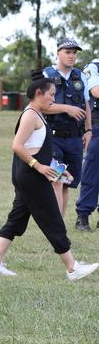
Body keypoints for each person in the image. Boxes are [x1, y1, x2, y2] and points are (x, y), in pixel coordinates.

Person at [0, 70, 98, 281]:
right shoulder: (30, 115)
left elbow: (35, 147)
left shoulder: (38, 114)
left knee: (16, 220)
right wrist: (39, 167)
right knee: (52, 220)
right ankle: (73, 268)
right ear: (38, 93)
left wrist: (58, 170)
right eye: (51, 95)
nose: (53, 99)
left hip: (29, 175)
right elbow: (17, 146)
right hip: (31, 177)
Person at [40, 38, 91, 219]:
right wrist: (66, 108)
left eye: (74, 52)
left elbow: (86, 106)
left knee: (67, 182)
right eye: (67, 52)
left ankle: (58, 224)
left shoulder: (81, 76)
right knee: (57, 180)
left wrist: (88, 130)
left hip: (75, 138)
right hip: (53, 138)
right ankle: (56, 226)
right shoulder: (46, 75)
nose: (72, 56)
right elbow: (40, 106)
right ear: (58, 53)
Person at [76, 59, 99, 230]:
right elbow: (96, 91)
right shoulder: (94, 66)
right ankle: (83, 216)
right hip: (97, 126)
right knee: (92, 171)